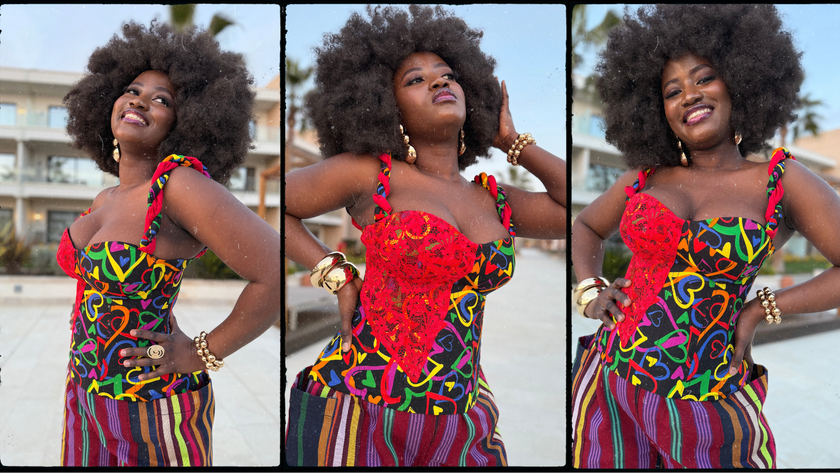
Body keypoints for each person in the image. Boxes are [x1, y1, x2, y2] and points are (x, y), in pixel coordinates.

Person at [284, 5, 566, 467]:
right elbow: (275, 208)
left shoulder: (493, 199)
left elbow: (572, 208)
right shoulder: (371, 173)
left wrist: (511, 140)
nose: (439, 82)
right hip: (360, 410)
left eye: (448, 74)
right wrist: (332, 273)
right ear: (385, 106)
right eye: (415, 79)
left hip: (462, 416)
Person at [571, 4, 840, 468]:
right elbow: (587, 225)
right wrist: (590, 291)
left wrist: (760, 310)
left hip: (705, 403)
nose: (689, 95)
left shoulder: (784, 180)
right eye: (672, 90)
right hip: (609, 382)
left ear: (741, 81)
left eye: (704, 78)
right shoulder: (645, 177)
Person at [57, 21, 281, 466]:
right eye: (133, 90)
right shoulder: (105, 198)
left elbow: (273, 271)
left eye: (162, 99)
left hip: (150, 411)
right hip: (84, 395)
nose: (140, 100)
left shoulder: (177, 185)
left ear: (187, 123)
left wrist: (201, 351)